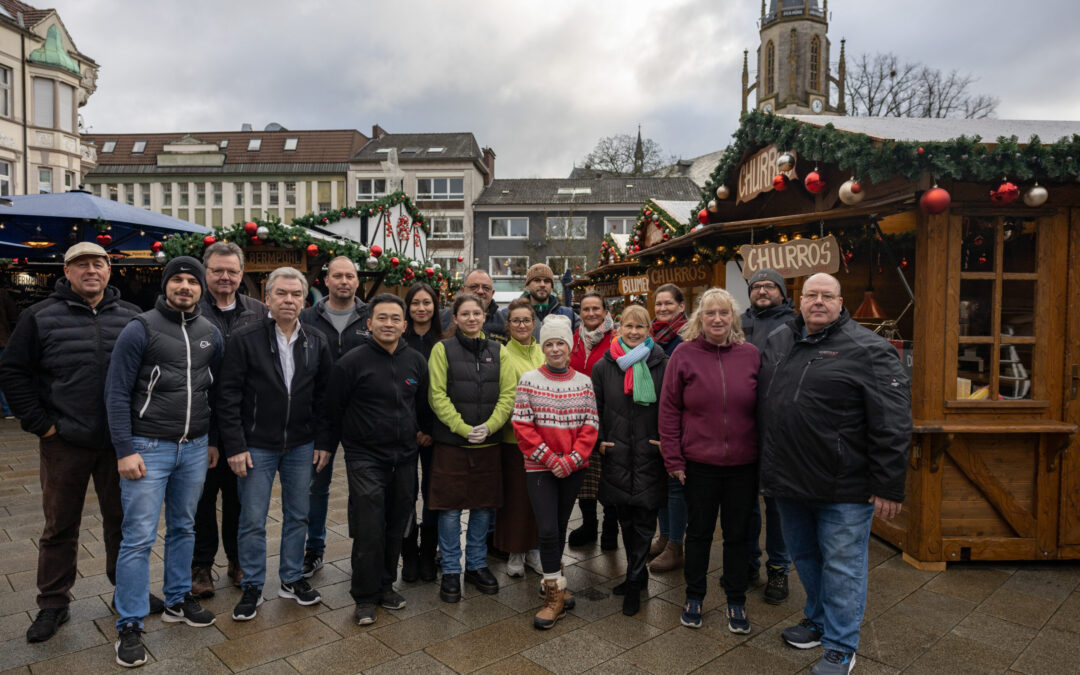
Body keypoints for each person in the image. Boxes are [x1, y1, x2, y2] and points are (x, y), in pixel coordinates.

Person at [760, 273, 911, 675]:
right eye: (812, 295)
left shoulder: (870, 350)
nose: (819, 302)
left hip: (844, 486)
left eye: (828, 296)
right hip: (789, 480)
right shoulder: (779, 340)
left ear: (841, 302)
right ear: (799, 299)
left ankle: (841, 646)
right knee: (806, 558)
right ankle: (819, 620)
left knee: (843, 566)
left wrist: (889, 485)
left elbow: (893, 423)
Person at [0, 243, 143, 644]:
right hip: (65, 440)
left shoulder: (131, 317)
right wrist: (41, 425)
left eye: (98, 264)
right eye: (82, 265)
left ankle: (126, 593)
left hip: (119, 443)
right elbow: (13, 371)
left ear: (110, 270)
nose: (91, 270)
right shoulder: (39, 316)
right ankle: (53, 603)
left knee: (124, 523)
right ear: (67, 271)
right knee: (60, 524)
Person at [106, 256, 224, 667]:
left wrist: (213, 441)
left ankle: (177, 599)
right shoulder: (140, 328)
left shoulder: (211, 331)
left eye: (193, 281)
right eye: (178, 280)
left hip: (194, 446)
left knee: (184, 527)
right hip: (148, 447)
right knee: (138, 536)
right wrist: (124, 449)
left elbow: (216, 391)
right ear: (166, 285)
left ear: (201, 288)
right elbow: (117, 391)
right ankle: (130, 623)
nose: (186, 287)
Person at [217, 266, 334, 622]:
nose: (289, 300)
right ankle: (252, 583)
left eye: (296, 294)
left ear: (305, 299)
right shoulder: (246, 338)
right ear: (267, 298)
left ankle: (291, 578)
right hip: (256, 445)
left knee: (298, 514)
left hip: (301, 443)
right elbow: (227, 396)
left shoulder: (316, 340)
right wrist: (235, 446)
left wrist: (324, 442)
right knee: (252, 518)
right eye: (281, 293)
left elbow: (326, 398)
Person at [659, 288, 760, 634]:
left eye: (724, 313)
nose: (717, 319)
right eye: (710, 313)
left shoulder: (751, 355)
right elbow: (669, 409)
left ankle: (736, 600)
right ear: (699, 318)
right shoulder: (684, 355)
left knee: (737, 535)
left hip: (743, 465)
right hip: (698, 464)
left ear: (733, 317)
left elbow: (763, 409)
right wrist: (673, 458)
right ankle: (694, 596)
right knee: (698, 533)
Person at [325, 293, 428, 625]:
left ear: (404, 325)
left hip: (405, 457)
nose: (389, 324)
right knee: (370, 524)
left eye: (395, 318)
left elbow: (423, 406)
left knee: (397, 523)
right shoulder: (352, 362)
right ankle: (365, 596)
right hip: (364, 455)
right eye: (381, 318)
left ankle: (386, 585)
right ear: (369, 324)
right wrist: (327, 446)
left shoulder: (415, 361)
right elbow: (332, 410)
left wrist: (425, 431)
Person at [427, 294, 516, 603]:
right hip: (452, 443)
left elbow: (508, 394)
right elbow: (437, 395)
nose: (471, 318)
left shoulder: (499, 350)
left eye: (476, 313)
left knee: (483, 506)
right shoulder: (442, 349)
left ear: (483, 316)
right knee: (450, 509)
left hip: (488, 443)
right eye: (464, 313)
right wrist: (463, 429)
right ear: (456, 317)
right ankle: (451, 568)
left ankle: (476, 564)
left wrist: (491, 426)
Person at [512, 315, 598, 629]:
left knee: (560, 526)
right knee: (547, 528)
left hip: (573, 468)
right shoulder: (529, 379)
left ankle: (555, 581)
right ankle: (554, 597)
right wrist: (551, 459)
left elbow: (591, 426)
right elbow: (522, 426)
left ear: (569, 345)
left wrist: (572, 459)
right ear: (543, 347)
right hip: (540, 467)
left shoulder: (583, 382)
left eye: (560, 342)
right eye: (549, 343)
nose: (555, 348)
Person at [191, 241, 266, 598]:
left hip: (244, 427)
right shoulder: (190, 309)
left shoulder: (258, 311)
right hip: (200, 424)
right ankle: (201, 566)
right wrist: (208, 438)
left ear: (241, 274)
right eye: (218, 270)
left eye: (232, 271)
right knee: (201, 501)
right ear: (206, 272)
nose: (225, 277)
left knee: (240, 499)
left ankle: (237, 561)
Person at [591, 304, 668, 616]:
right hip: (617, 451)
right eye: (629, 326)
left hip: (650, 451)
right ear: (619, 328)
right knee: (625, 516)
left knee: (646, 518)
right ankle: (639, 574)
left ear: (648, 330)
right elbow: (593, 408)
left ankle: (634, 582)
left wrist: (667, 441)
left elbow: (672, 406)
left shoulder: (663, 362)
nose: (634, 332)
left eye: (641, 327)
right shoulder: (604, 365)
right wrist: (599, 442)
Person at [299, 256, 369, 579]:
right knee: (316, 487)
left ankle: (363, 551)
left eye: (350, 276)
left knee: (363, 489)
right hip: (319, 417)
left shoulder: (371, 317)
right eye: (337, 275)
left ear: (358, 281)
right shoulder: (306, 318)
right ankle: (314, 548)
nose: (344, 281)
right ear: (325, 281)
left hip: (361, 418)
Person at [739, 268, 796, 604]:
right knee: (745, 504)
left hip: (779, 429)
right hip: (743, 426)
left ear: (782, 292)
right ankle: (748, 563)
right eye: (756, 286)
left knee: (776, 506)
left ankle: (779, 569)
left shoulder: (794, 324)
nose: (762, 291)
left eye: (769, 286)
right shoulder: (738, 322)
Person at [495, 298, 545, 577]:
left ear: (534, 323)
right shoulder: (502, 354)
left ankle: (534, 549)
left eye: (527, 320)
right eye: (516, 320)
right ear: (508, 325)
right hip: (513, 439)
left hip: (544, 439)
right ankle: (515, 551)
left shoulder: (544, 352)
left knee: (539, 498)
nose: (522, 325)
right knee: (515, 498)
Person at [566, 292, 619, 550]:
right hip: (578, 420)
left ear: (605, 309)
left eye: (596, 308)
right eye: (585, 309)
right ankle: (589, 525)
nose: (590, 314)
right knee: (584, 476)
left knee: (609, 476)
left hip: (609, 417)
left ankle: (610, 528)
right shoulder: (573, 340)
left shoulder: (616, 338)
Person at [400, 283, 440, 582]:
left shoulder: (444, 340)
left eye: (427, 302)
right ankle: (408, 553)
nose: (421, 308)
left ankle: (429, 552)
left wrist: (430, 429)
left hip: (436, 431)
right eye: (415, 303)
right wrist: (413, 428)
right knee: (405, 493)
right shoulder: (399, 340)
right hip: (403, 430)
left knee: (433, 493)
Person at [649, 283, 688, 573]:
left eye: (668, 304)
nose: (662, 309)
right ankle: (664, 536)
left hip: (678, 420)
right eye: (658, 304)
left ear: (681, 306)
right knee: (661, 483)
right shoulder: (652, 337)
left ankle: (676, 544)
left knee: (675, 484)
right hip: (654, 417)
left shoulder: (688, 337)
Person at [505, 263, 578, 339]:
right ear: (527, 286)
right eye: (537, 280)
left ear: (552, 286)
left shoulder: (568, 314)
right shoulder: (508, 314)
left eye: (547, 281)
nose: (542, 284)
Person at [439, 269, 507, 344]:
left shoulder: (505, 321)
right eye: (474, 287)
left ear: (492, 293)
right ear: (462, 290)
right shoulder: (441, 318)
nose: (480, 291)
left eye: (486, 288)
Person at [0, 277, 20, 418]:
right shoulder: (3, 295)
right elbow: (14, 317)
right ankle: (8, 410)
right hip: (2, 341)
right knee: (4, 376)